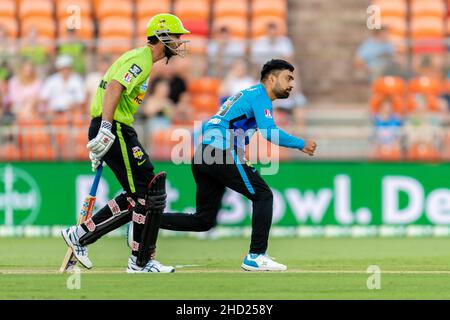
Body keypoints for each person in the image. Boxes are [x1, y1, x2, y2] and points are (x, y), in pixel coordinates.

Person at [61, 13, 191, 273]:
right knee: (146, 191)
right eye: (176, 37)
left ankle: (86, 237)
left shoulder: (143, 61)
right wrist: (107, 127)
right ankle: (136, 259)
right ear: (162, 37)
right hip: (115, 127)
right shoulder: (141, 59)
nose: (179, 42)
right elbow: (114, 88)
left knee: (141, 194)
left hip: (116, 128)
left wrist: (103, 131)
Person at [159, 59, 317, 271]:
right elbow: (269, 132)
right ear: (271, 78)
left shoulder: (246, 94)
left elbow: (214, 122)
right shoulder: (260, 95)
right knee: (263, 195)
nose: (291, 84)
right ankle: (256, 256)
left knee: (204, 220)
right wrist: (301, 144)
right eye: (288, 78)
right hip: (220, 151)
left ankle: (146, 221)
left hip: (204, 154)